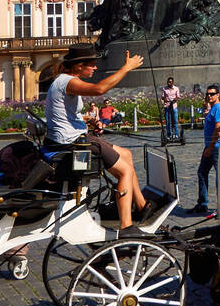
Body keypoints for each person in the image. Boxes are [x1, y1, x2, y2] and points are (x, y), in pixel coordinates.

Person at [45, 46, 151, 233]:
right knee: (124, 172)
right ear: (79, 66)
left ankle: (142, 206)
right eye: (92, 65)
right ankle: (126, 226)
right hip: (73, 142)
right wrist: (126, 68)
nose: (95, 68)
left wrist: (86, 119)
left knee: (126, 154)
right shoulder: (68, 81)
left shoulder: (64, 81)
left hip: (72, 136)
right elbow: (99, 89)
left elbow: (62, 113)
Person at [189, 85, 220, 216]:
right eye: (207, 94)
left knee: (219, 177)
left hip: (214, 147)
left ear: (217, 95)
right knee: (202, 173)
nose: (209, 96)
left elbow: (219, 127)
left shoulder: (218, 108)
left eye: (212, 94)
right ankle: (202, 203)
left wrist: (210, 146)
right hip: (209, 147)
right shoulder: (212, 108)